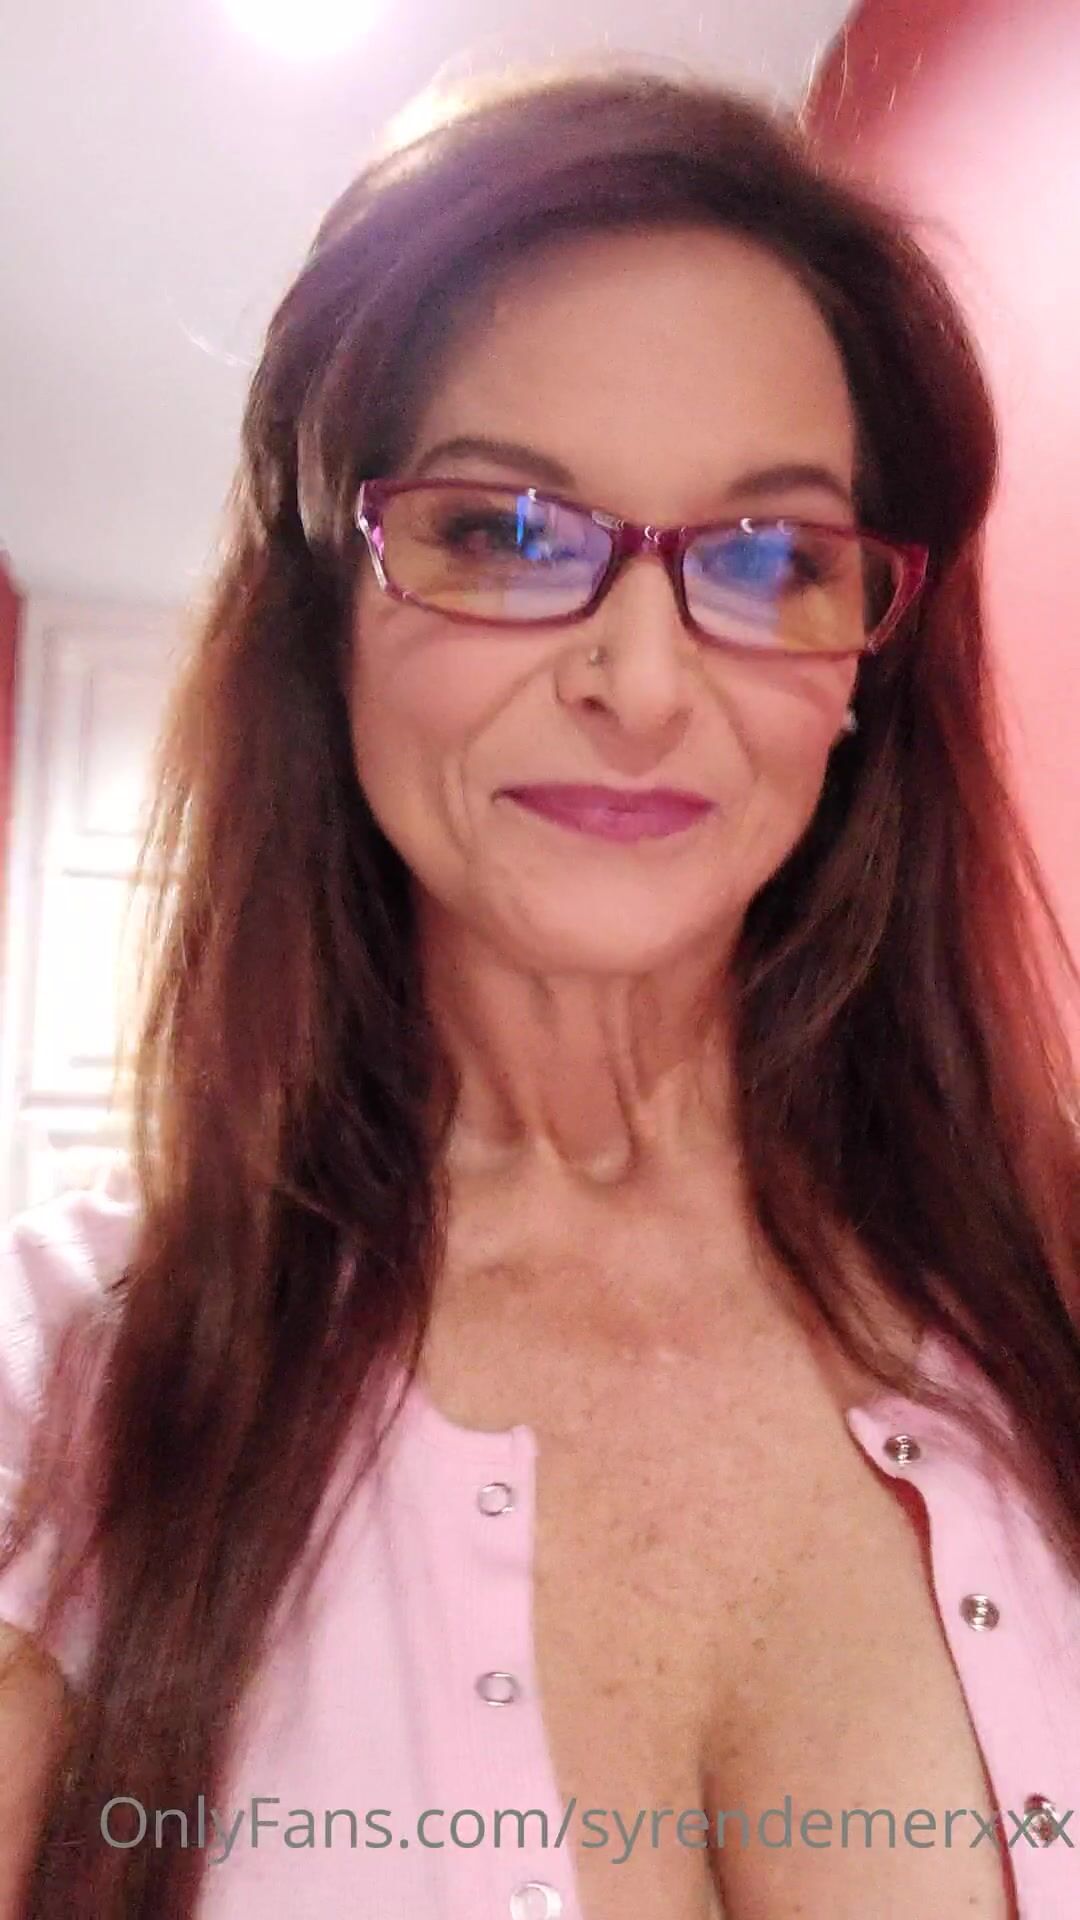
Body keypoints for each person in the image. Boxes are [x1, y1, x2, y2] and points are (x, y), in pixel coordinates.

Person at [0, 60, 1078, 1920]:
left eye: (771, 555)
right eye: (503, 531)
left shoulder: (1050, 1274)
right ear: (332, 615)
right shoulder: (73, 1390)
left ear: (863, 665)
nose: (642, 685)